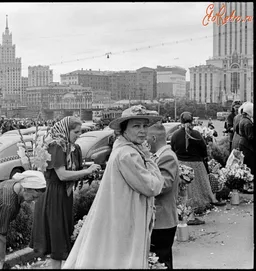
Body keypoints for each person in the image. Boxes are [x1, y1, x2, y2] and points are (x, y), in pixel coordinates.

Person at [63, 105, 164, 269]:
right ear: (124, 130)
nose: (142, 131)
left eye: (145, 126)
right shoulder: (128, 154)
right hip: (127, 218)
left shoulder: (127, 149)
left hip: (123, 215)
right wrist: (149, 159)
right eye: (136, 126)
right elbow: (153, 186)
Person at [30, 116, 101, 269]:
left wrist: (89, 172)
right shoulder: (56, 146)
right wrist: (86, 171)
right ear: (65, 131)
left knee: (62, 236)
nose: (79, 135)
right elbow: (62, 175)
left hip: (64, 195)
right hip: (53, 196)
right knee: (57, 239)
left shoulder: (72, 148)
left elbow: (74, 172)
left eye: (80, 132)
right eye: (76, 132)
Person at [171, 112, 223, 225]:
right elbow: (204, 150)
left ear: (180, 121)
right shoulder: (197, 134)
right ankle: (192, 215)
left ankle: (183, 213)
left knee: (183, 191)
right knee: (197, 190)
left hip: (181, 166)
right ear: (192, 121)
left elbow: (173, 149)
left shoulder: (175, 135)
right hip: (196, 165)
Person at [147, 123, 180, 269]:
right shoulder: (159, 156)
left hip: (163, 219)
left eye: (146, 138)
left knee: (161, 261)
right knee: (159, 259)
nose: (144, 141)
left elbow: (163, 186)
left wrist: (142, 182)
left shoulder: (167, 157)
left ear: (153, 138)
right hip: (160, 219)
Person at [238, 102, 254, 176]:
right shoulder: (248, 123)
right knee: (249, 164)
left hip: (242, 143)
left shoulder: (242, 120)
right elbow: (251, 137)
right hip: (247, 146)